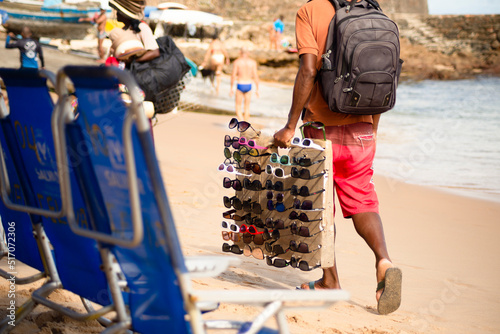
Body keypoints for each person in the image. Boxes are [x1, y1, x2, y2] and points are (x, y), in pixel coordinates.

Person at [272, 0, 402, 315]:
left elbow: (309, 69)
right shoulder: (374, 11)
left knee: (319, 207)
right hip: (363, 127)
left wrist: (290, 125)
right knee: (362, 200)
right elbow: (384, 76)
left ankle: (330, 281)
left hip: (320, 129)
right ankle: (384, 261)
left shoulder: (310, 11)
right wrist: (373, 127)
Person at [108, 0, 160, 64]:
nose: (116, 13)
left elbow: (155, 52)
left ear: (125, 14)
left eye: (119, 11)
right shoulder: (125, 29)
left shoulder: (141, 27)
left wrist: (133, 62)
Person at [229, 47, 259, 122]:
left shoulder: (237, 62)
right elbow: (255, 76)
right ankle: (245, 123)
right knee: (247, 107)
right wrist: (257, 89)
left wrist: (231, 88)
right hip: (249, 84)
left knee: (238, 106)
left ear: (240, 52)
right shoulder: (253, 62)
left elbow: (233, 75)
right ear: (248, 53)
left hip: (240, 84)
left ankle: (241, 121)